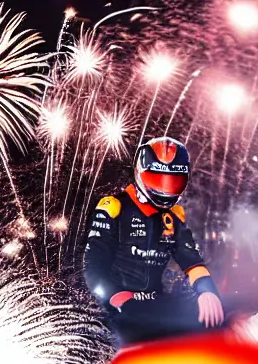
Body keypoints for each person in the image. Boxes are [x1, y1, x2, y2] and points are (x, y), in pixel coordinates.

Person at [83, 136, 225, 344]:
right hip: (114, 310)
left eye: (173, 180)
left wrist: (207, 292)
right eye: (158, 179)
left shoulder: (174, 216)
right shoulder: (114, 208)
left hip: (157, 308)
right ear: (141, 173)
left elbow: (191, 260)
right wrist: (119, 299)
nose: (165, 188)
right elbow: (93, 267)